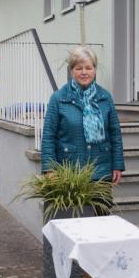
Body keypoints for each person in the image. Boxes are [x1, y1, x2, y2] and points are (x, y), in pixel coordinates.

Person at [40, 46, 125, 184]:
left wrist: (117, 165)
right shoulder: (58, 98)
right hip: (69, 173)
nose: (84, 72)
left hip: (101, 171)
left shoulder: (105, 97)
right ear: (72, 70)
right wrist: (49, 169)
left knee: (100, 207)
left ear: (95, 70)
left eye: (88, 68)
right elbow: (49, 136)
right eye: (79, 68)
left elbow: (115, 134)